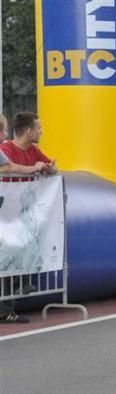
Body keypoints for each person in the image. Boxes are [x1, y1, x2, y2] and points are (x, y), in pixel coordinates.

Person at [0, 114, 46, 324]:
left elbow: (8, 167)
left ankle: (13, 297)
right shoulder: (6, 148)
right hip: (7, 211)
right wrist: (34, 169)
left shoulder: (28, 150)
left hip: (13, 212)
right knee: (7, 255)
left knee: (15, 250)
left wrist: (44, 168)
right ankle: (6, 307)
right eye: (3, 129)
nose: (6, 133)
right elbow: (8, 168)